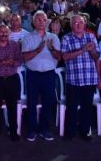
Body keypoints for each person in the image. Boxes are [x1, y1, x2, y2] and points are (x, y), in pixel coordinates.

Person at [22, 11, 61, 142]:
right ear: (33, 22)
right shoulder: (27, 38)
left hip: (49, 74)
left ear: (46, 22)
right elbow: (25, 58)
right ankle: (32, 130)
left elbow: (59, 57)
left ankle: (44, 129)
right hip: (33, 74)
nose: (41, 22)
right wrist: (38, 50)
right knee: (31, 103)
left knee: (47, 103)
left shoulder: (53, 38)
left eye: (43, 20)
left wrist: (51, 49)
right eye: (38, 20)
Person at [61, 15, 99, 141]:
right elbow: (65, 57)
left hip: (89, 78)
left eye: (80, 23)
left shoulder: (91, 37)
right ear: (71, 25)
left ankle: (85, 132)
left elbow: (96, 57)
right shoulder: (66, 38)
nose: (78, 25)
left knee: (86, 107)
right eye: (75, 23)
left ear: (85, 24)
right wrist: (82, 50)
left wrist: (93, 50)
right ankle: (70, 133)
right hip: (73, 80)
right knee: (71, 107)